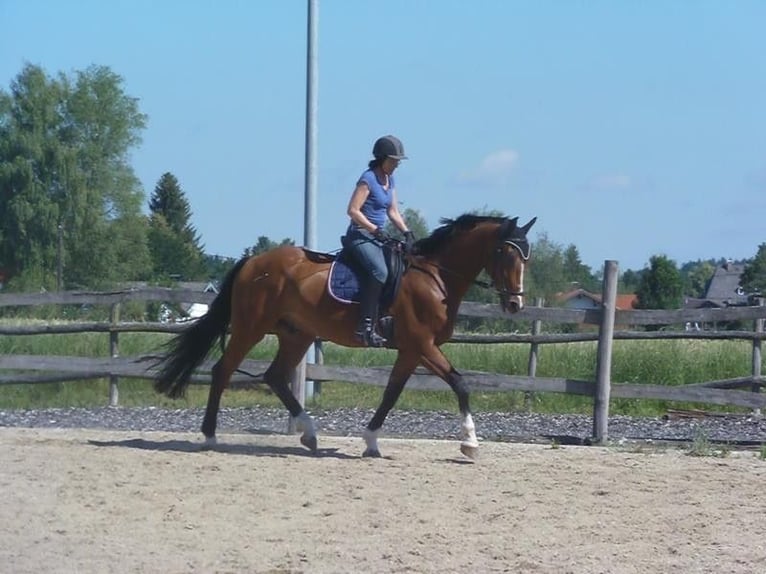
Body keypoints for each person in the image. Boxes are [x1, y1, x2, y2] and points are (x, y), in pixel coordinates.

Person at [343, 134, 415, 347]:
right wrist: (374, 230)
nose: (396, 165)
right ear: (382, 158)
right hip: (360, 236)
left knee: (399, 268)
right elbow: (353, 211)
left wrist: (406, 232)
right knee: (380, 271)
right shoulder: (368, 179)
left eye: (398, 161)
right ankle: (364, 326)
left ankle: (385, 316)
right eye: (393, 160)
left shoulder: (389, 180)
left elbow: (392, 210)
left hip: (377, 237)